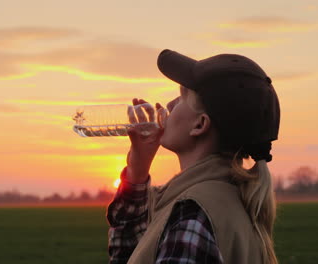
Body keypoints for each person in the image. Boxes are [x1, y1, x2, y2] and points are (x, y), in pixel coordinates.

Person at [107, 49, 281, 264]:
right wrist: (137, 172)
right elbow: (133, 256)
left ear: (200, 125)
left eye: (182, 97)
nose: (169, 105)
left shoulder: (192, 214)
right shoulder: (231, 198)